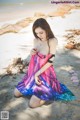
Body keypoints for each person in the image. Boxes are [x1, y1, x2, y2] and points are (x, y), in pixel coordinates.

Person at [14, 18, 76, 108]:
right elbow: (34, 55)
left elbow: (50, 62)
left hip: (44, 73)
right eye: (36, 33)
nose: (39, 35)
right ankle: (34, 91)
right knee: (16, 93)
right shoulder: (35, 40)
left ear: (47, 29)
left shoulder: (52, 41)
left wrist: (37, 74)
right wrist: (32, 52)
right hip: (32, 73)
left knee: (32, 104)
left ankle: (47, 96)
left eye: (41, 32)